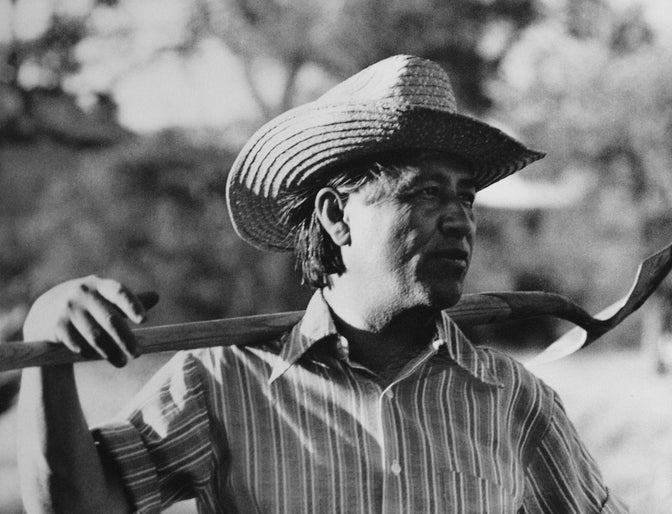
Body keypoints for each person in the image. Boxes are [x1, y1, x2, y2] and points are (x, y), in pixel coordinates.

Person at [18, 55, 628, 513]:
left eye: (466, 197)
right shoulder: (227, 383)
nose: (460, 220)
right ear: (337, 217)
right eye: (427, 193)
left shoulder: (512, 400)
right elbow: (74, 506)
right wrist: (46, 339)